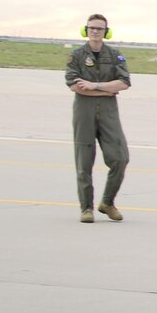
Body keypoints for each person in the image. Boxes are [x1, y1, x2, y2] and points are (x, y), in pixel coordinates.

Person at [66, 13, 130, 222]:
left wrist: (94, 86)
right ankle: (86, 208)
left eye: (99, 28)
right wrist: (106, 90)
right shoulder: (76, 55)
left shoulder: (115, 55)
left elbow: (124, 83)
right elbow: (75, 86)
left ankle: (107, 202)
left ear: (106, 32)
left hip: (109, 113)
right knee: (84, 162)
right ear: (86, 30)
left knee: (120, 158)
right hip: (83, 112)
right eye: (91, 28)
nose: (95, 31)